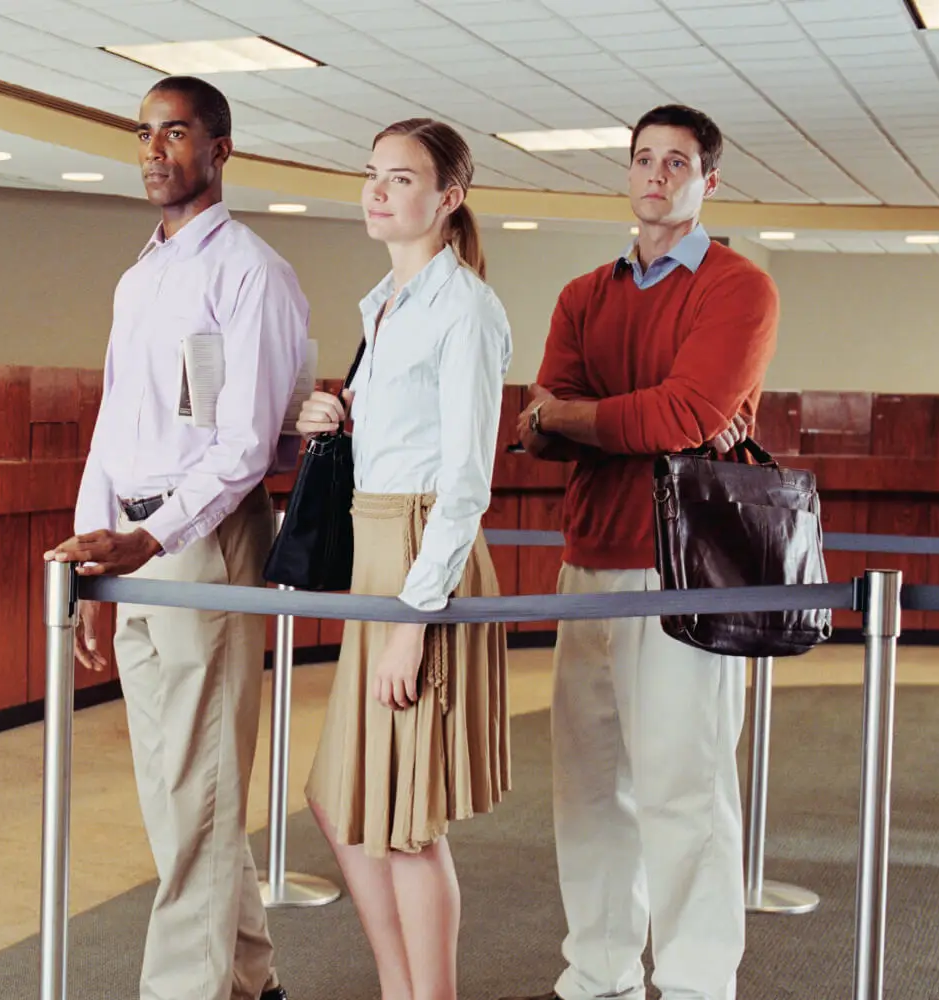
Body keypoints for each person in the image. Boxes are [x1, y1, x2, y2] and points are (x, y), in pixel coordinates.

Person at [42, 75, 307, 1000]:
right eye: (145, 134)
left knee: (198, 782)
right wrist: (92, 544)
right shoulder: (141, 274)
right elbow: (115, 425)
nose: (156, 151)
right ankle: (249, 978)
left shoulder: (253, 273)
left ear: (220, 150)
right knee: (176, 788)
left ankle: (184, 992)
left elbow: (241, 447)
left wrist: (150, 540)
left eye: (177, 133)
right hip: (135, 545)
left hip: (203, 540)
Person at [505, 104, 777, 1000]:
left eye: (677, 161)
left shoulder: (738, 288)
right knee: (587, 790)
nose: (656, 174)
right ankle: (599, 975)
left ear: (709, 181)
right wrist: (589, 421)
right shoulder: (584, 294)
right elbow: (543, 434)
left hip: (684, 575)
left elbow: (683, 416)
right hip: (588, 562)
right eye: (643, 159)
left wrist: (571, 415)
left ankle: (698, 986)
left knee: (684, 794)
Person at [293, 118, 512, 1000]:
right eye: (372, 174)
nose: (377, 191)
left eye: (402, 179)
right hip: (376, 549)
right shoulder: (383, 303)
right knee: (340, 801)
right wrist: (337, 421)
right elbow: (405, 442)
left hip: (425, 559)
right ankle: (400, 990)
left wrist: (416, 623)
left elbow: (464, 480)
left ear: (447, 199)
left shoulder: (464, 307)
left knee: (409, 822)